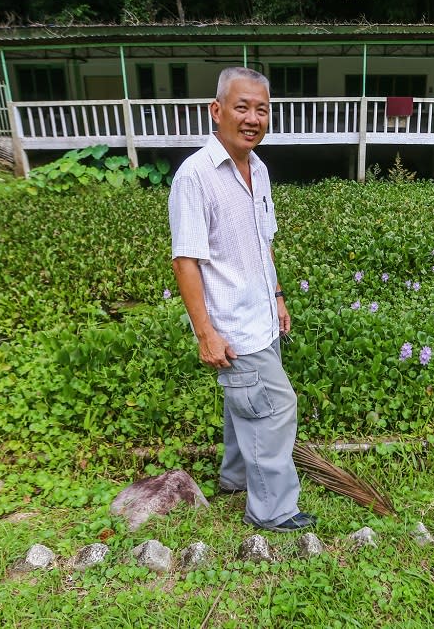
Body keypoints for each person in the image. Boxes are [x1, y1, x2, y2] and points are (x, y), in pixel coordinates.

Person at [168, 67, 316, 533]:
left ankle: (234, 479)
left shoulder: (260, 169)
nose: (253, 118)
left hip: (261, 316)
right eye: (242, 107)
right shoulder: (195, 176)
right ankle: (272, 510)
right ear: (217, 111)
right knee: (276, 408)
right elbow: (185, 261)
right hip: (232, 325)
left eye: (262, 109)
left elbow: (262, 240)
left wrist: (278, 297)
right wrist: (206, 333)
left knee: (245, 404)